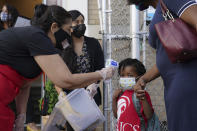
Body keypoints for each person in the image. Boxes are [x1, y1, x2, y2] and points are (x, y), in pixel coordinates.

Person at [0, 5, 114, 131]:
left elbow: (24, 83)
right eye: (68, 28)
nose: (70, 32)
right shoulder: (37, 37)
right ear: (54, 27)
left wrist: (21, 115)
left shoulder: (39, 40)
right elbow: (65, 80)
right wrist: (100, 74)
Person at [127, 0, 197, 130]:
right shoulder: (159, 10)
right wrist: (144, 78)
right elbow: (166, 59)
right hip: (174, 88)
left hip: (188, 85)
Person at [44, 10, 104, 131]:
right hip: (70, 98)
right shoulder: (61, 45)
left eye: (82, 21)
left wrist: (93, 85)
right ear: (69, 26)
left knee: (90, 127)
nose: (80, 24)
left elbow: (100, 68)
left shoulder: (93, 43)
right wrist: (61, 93)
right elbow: (56, 73)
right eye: (76, 22)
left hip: (90, 96)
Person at [112, 58, 154, 131]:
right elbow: (117, 115)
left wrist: (143, 98)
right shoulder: (122, 95)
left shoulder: (141, 94)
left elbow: (149, 115)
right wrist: (114, 99)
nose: (125, 78)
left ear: (140, 77)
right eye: (122, 75)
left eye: (130, 75)